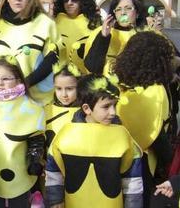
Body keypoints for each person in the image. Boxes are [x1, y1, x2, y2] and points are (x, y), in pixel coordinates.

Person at [45, 74, 143, 208]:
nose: (113, 112)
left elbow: (132, 178)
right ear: (86, 108)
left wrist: (133, 205)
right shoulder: (66, 136)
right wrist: (56, 200)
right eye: (106, 106)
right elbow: (54, 171)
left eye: (115, 105)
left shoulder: (123, 136)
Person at [0, 58, 45, 207]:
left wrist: (35, 160)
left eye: (6, 78)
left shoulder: (31, 108)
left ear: (18, 80)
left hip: (21, 172)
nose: (0, 83)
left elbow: (36, 139)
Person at [114, 31, 175, 207]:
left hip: (116, 155)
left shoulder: (118, 84)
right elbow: (155, 134)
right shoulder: (156, 90)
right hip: (143, 164)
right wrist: (170, 162)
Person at [0, 0, 62, 105]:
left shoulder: (46, 24)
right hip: (1, 100)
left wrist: (24, 84)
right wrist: (2, 81)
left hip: (37, 101)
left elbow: (52, 60)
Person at [84, 0, 147, 75]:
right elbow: (92, 68)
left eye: (128, 8)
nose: (123, 13)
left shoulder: (147, 36)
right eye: (118, 9)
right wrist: (103, 37)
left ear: (137, 13)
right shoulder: (102, 32)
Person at [53, 0, 101, 74]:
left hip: (85, 79)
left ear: (82, 1)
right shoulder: (55, 22)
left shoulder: (94, 23)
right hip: (60, 79)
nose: (69, 3)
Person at [45, 62, 81, 147]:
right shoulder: (46, 110)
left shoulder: (86, 112)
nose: (64, 94)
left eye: (69, 89)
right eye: (59, 89)